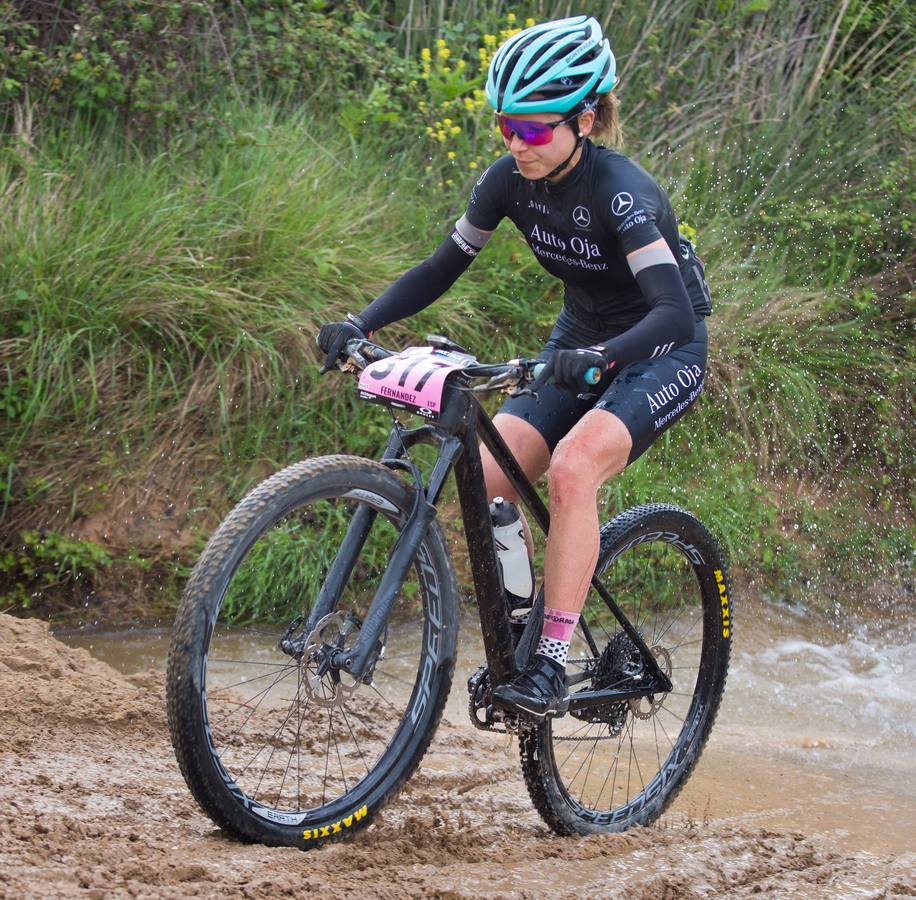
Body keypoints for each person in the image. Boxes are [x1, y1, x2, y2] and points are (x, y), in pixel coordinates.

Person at [317, 16, 713, 719]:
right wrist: (362, 322)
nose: (515, 144)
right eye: (506, 127)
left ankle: (551, 666)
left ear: (584, 118)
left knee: (572, 467)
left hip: (658, 346)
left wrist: (602, 358)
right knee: (490, 482)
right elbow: (441, 268)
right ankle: (527, 627)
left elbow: (674, 315)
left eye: (533, 130)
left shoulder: (624, 193)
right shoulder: (508, 180)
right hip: (579, 337)